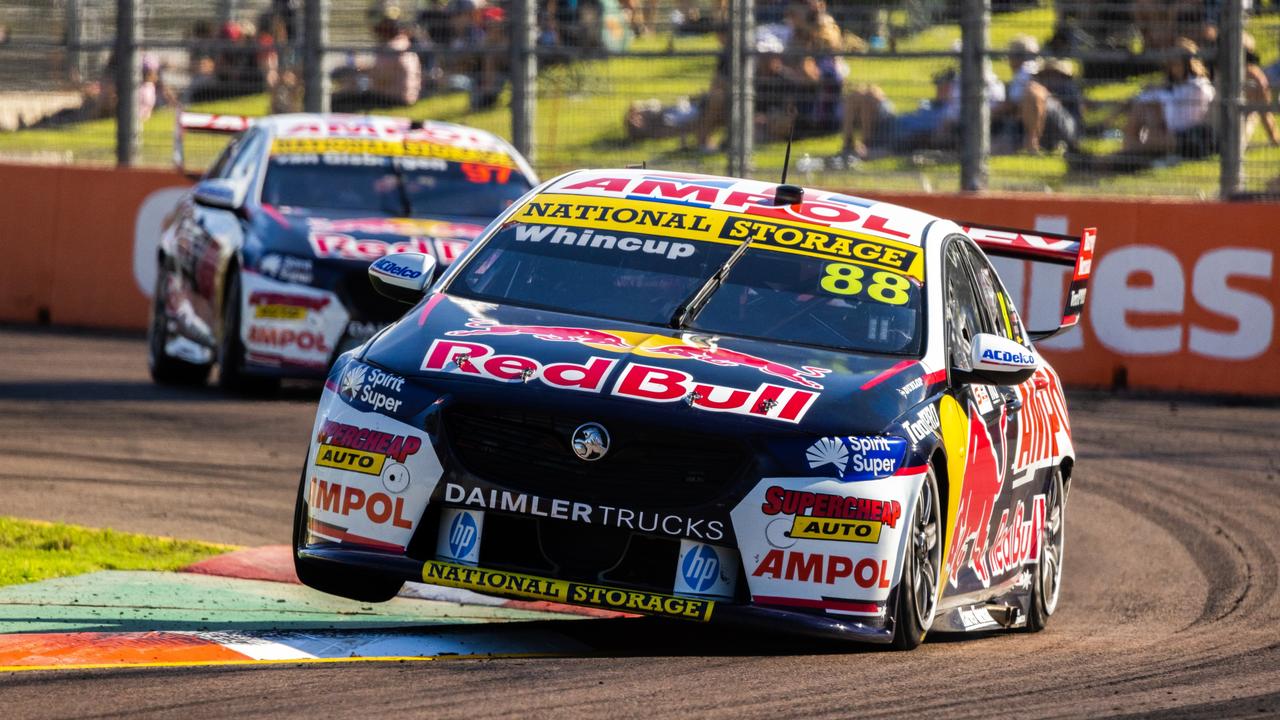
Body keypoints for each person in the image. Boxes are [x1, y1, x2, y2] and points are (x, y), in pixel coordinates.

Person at [840, 65, 1004, 159]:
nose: (938, 88)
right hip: (892, 123)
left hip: (899, 136)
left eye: (942, 84)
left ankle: (865, 143)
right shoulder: (933, 104)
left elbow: (935, 136)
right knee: (859, 94)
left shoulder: (953, 110)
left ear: (951, 87)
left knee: (871, 94)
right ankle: (849, 143)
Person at [1122, 38, 1216, 158]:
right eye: (1170, 63)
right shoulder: (1173, 86)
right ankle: (1128, 153)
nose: (1172, 67)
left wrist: (1157, 100)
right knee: (1141, 108)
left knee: (1149, 110)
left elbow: (1184, 120)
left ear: (1187, 64)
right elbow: (1145, 97)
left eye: (1176, 63)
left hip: (1185, 134)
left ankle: (1129, 154)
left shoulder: (1198, 87)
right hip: (1168, 128)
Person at [991, 36, 1079, 154]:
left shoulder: (1027, 72)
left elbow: (1014, 104)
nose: (1009, 60)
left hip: (1057, 126)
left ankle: (1032, 144)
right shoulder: (1028, 73)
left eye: (1010, 56)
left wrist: (988, 112)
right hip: (1062, 126)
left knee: (1030, 95)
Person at [331, 8, 422, 111]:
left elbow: (379, 77)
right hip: (393, 98)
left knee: (337, 101)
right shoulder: (402, 43)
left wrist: (355, 70)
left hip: (392, 100)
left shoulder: (394, 47)